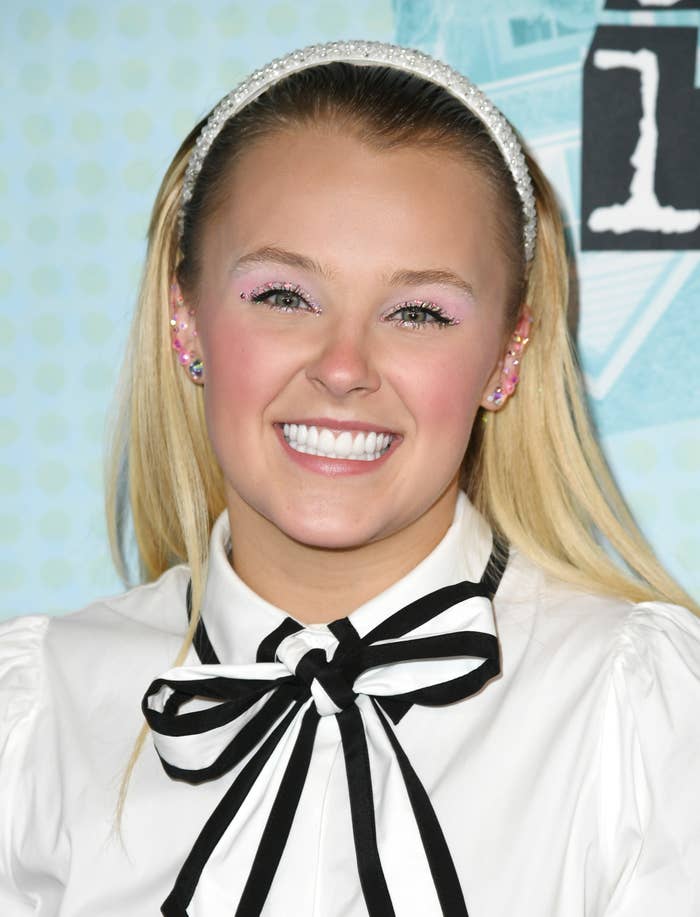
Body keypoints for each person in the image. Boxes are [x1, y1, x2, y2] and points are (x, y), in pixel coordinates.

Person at [1, 39, 698, 917]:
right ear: (187, 319)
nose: (342, 367)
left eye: (417, 311)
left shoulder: (635, 715)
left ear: (505, 355)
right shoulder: (36, 717)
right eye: (284, 296)